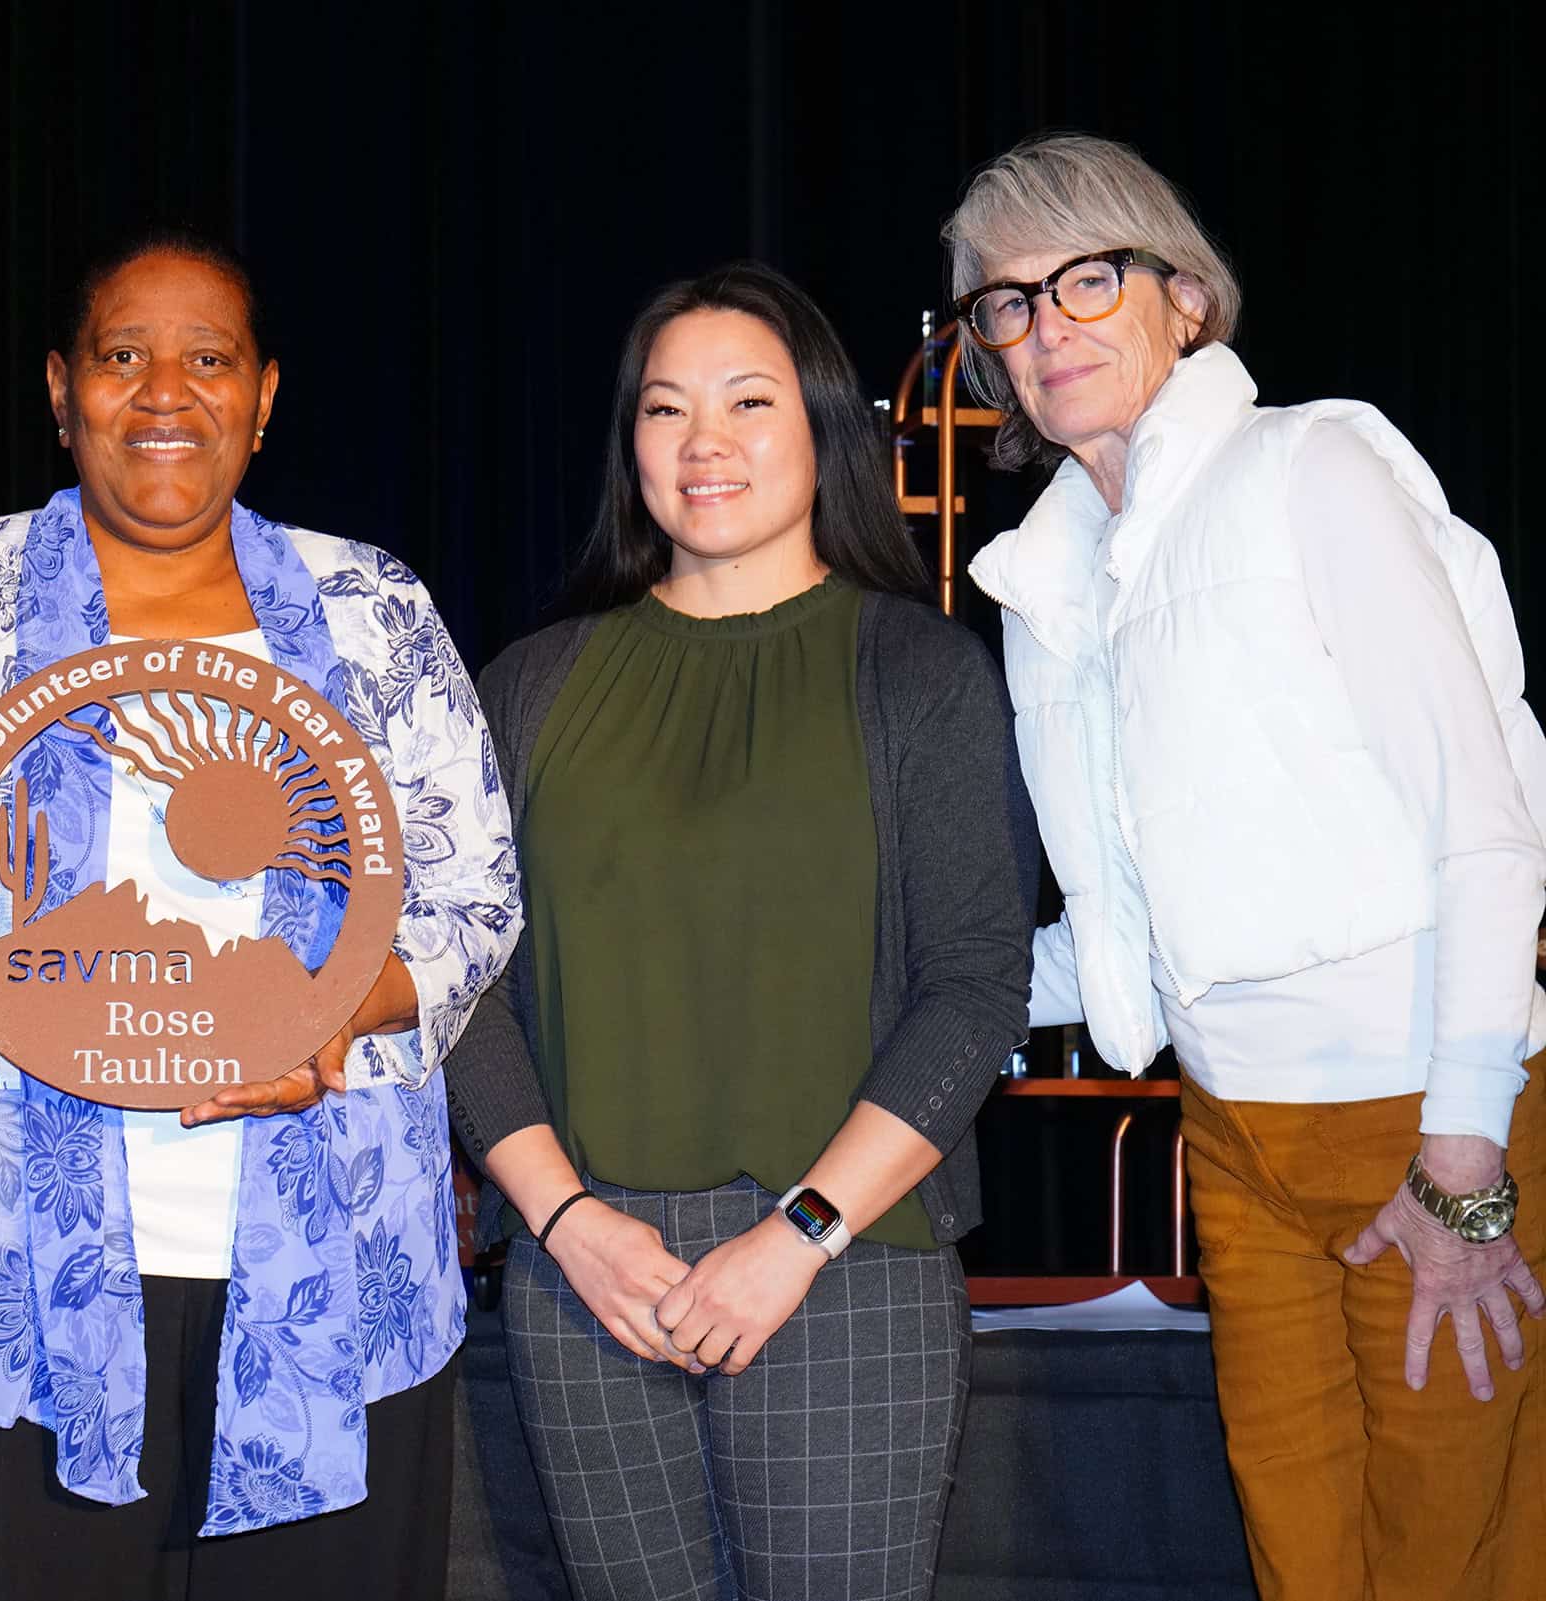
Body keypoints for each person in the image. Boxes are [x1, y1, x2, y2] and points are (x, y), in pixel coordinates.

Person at [0, 229, 518, 1599]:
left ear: (266, 394)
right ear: (62, 390)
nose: (165, 392)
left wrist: (337, 1005)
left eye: (208, 358)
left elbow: (476, 897)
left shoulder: (373, 610)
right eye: (123, 356)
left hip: (327, 1265)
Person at [949, 132, 1546, 1599]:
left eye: (1087, 277)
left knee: (1449, 1562)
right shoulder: (1051, 580)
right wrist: (906, 989)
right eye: (1009, 304)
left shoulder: (1313, 467)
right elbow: (1129, 918)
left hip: (1422, 1116)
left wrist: (1465, 1156)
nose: (1047, 325)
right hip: (1230, 1133)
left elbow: (1483, 811)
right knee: (1300, 1561)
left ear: (1185, 301)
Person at [444, 262, 1037, 1601]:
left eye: (746, 401)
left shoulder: (918, 670)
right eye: (665, 410)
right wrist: (569, 1225)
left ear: (824, 425)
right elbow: (462, 983)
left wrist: (797, 1234)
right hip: (586, 1279)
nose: (701, 442)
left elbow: (976, 983)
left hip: (844, 1267)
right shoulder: (532, 686)